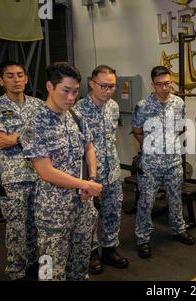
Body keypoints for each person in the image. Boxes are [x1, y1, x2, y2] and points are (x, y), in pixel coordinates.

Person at [19, 62, 103, 280]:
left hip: (81, 206)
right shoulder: (35, 123)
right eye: (66, 91)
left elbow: (89, 147)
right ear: (49, 86)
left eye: (75, 91)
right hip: (52, 212)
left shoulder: (75, 117)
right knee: (49, 269)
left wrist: (91, 177)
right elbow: (46, 172)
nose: (71, 97)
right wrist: (84, 184)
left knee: (80, 264)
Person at [0, 61, 43, 280]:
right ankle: (16, 272)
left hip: (41, 175)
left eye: (20, 75)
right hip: (14, 178)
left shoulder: (38, 105)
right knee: (17, 229)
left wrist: (14, 137)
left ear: (26, 79)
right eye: (10, 76)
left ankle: (33, 264)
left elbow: (47, 136)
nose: (16, 79)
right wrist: (28, 135)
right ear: (1, 81)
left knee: (39, 225)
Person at [132, 65, 195, 259]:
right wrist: (150, 147)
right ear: (153, 85)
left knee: (176, 198)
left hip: (174, 162)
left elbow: (180, 128)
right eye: (160, 84)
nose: (164, 88)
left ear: (171, 83)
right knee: (146, 201)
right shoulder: (143, 106)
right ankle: (143, 239)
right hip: (151, 164)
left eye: (167, 83)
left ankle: (178, 229)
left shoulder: (178, 103)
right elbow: (137, 131)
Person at [74, 65, 128, 275]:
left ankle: (109, 249)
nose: (108, 90)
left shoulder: (113, 107)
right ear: (91, 83)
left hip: (112, 171)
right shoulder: (78, 111)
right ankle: (92, 253)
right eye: (104, 86)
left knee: (112, 211)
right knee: (88, 216)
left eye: (112, 86)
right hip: (89, 174)